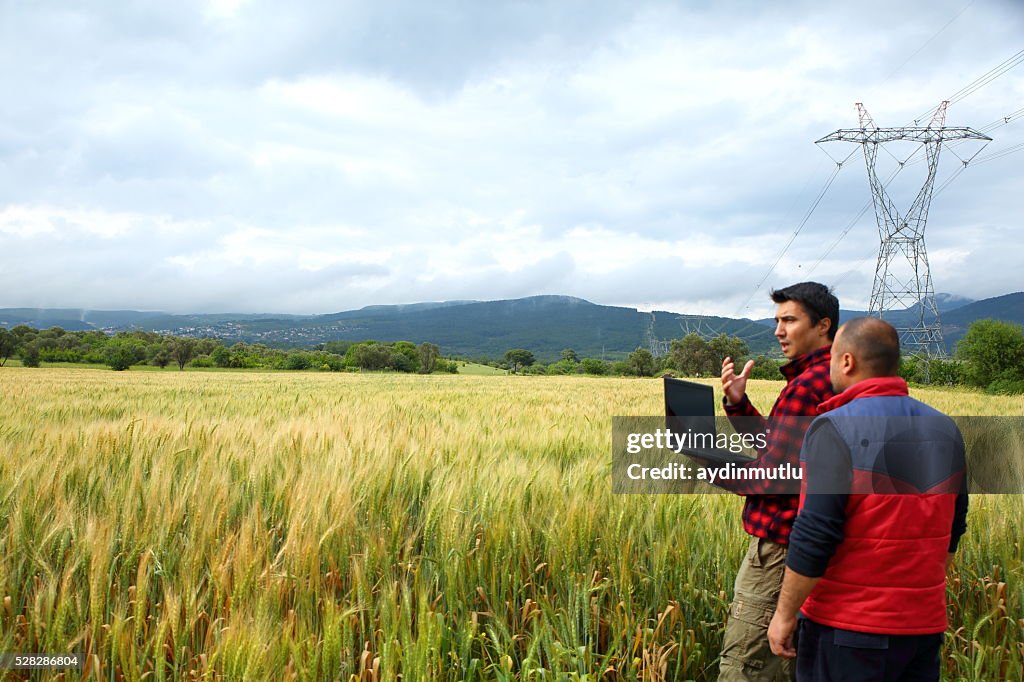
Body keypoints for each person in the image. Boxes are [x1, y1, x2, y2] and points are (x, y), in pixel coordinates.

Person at [767, 317, 968, 681]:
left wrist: (783, 615)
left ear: (847, 362)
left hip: (848, 631)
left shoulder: (835, 427)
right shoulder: (945, 428)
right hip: (922, 630)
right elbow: (954, 528)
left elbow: (816, 533)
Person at [717, 282, 839, 681]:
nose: (778, 331)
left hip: (780, 552)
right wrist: (739, 405)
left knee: (746, 666)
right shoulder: (831, 377)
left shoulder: (806, 387)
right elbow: (782, 448)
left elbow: (777, 475)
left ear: (823, 325)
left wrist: (713, 468)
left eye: (789, 320)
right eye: (776, 321)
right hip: (812, 548)